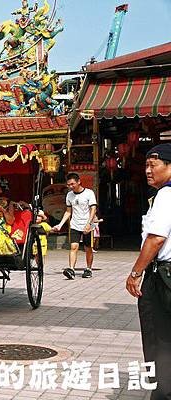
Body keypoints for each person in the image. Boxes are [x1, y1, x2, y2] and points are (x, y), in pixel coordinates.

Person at [126, 143, 171, 399]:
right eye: (145, 165)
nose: (147, 170)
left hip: (163, 276)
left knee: (159, 339)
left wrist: (135, 273)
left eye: (153, 164)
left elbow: (155, 238)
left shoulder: (166, 195)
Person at [52, 173, 97, 279]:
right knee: (73, 247)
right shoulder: (69, 195)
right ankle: (71, 269)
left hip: (87, 225)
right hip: (75, 224)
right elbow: (68, 212)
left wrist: (89, 223)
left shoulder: (89, 193)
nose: (71, 186)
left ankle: (88, 269)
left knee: (88, 248)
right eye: (68, 185)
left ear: (79, 182)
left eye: (72, 184)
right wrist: (60, 224)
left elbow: (93, 209)